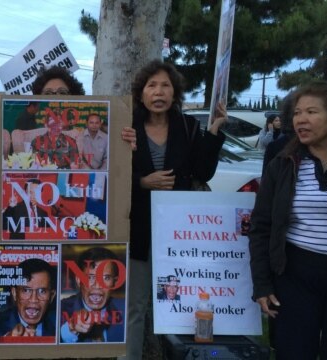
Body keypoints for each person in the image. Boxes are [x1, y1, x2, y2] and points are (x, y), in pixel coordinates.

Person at [249, 81, 327, 360]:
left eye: (312, 112)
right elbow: (261, 226)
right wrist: (262, 285)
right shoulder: (283, 162)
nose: (301, 119)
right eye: (297, 113)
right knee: (293, 351)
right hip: (295, 275)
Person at [123, 60, 225, 360]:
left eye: (165, 85)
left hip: (179, 234)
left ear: (175, 92)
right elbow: (112, 175)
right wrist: (142, 182)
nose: (158, 91)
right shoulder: (126, 127)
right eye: (151, 85)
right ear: (141, 93)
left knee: (178, 303)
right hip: (138, 229)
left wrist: (216, 131)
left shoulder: (188, 127)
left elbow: (203, 172)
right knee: (136, 305)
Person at [60, 247, 125, 343]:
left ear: (114, 283)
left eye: (106, 278)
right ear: (78, 280)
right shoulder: (59, 309)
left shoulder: (127, 309)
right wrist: (71, 329)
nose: (98, 285)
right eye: (90, 277)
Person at [0, 258, 57, 338]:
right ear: (14, 293)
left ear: (52, 296)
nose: (34, 299)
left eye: (42, 291)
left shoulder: (59, 327)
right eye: (26, 290)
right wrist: (8, 339)